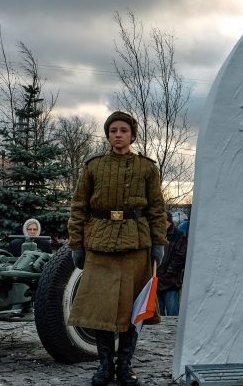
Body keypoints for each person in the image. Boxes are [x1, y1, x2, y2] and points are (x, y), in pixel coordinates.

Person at [67, 111, 167, 386]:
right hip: (99, 244)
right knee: (101, 310)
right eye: (113, 131)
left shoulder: (147, 168)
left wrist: (159, 242)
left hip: (136, 245)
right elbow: (79, 208)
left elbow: (157, 209)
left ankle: (125, 366)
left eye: (123, 130)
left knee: (132, 310)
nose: (118, 135)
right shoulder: (93, 166)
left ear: (133, 135)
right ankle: (103, 366)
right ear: (108, 135)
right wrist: (77, 244)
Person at [156, 211, 187, 316]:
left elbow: (180, 258)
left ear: (168, 222)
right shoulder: (157, 236)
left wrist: (168, 273)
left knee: (172, 315)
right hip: (157, 282)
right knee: (157, 317)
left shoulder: (179, 236)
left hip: (171, 283)